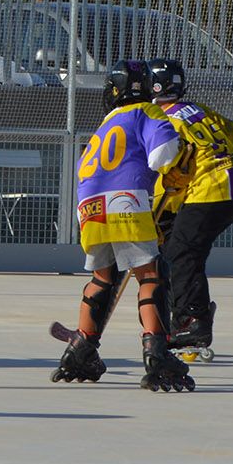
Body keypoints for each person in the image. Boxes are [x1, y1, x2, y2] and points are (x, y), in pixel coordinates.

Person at [53, 60, 195, 392]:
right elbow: (161, 154)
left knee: (102, 278)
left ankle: (81, 348)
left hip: (89, 205)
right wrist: (178, 156)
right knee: (151, 275)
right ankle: (156, 351)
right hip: (126, 201)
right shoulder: (147, 112)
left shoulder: (104, 124)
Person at [147, 58, 233, 360]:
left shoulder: (160, 118)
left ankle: (193, 320)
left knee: (180, 252)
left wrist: (160, 210)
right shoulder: (197, 110)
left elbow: (170, 169)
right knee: (186, 251)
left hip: (212, 188)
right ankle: (189, 322)